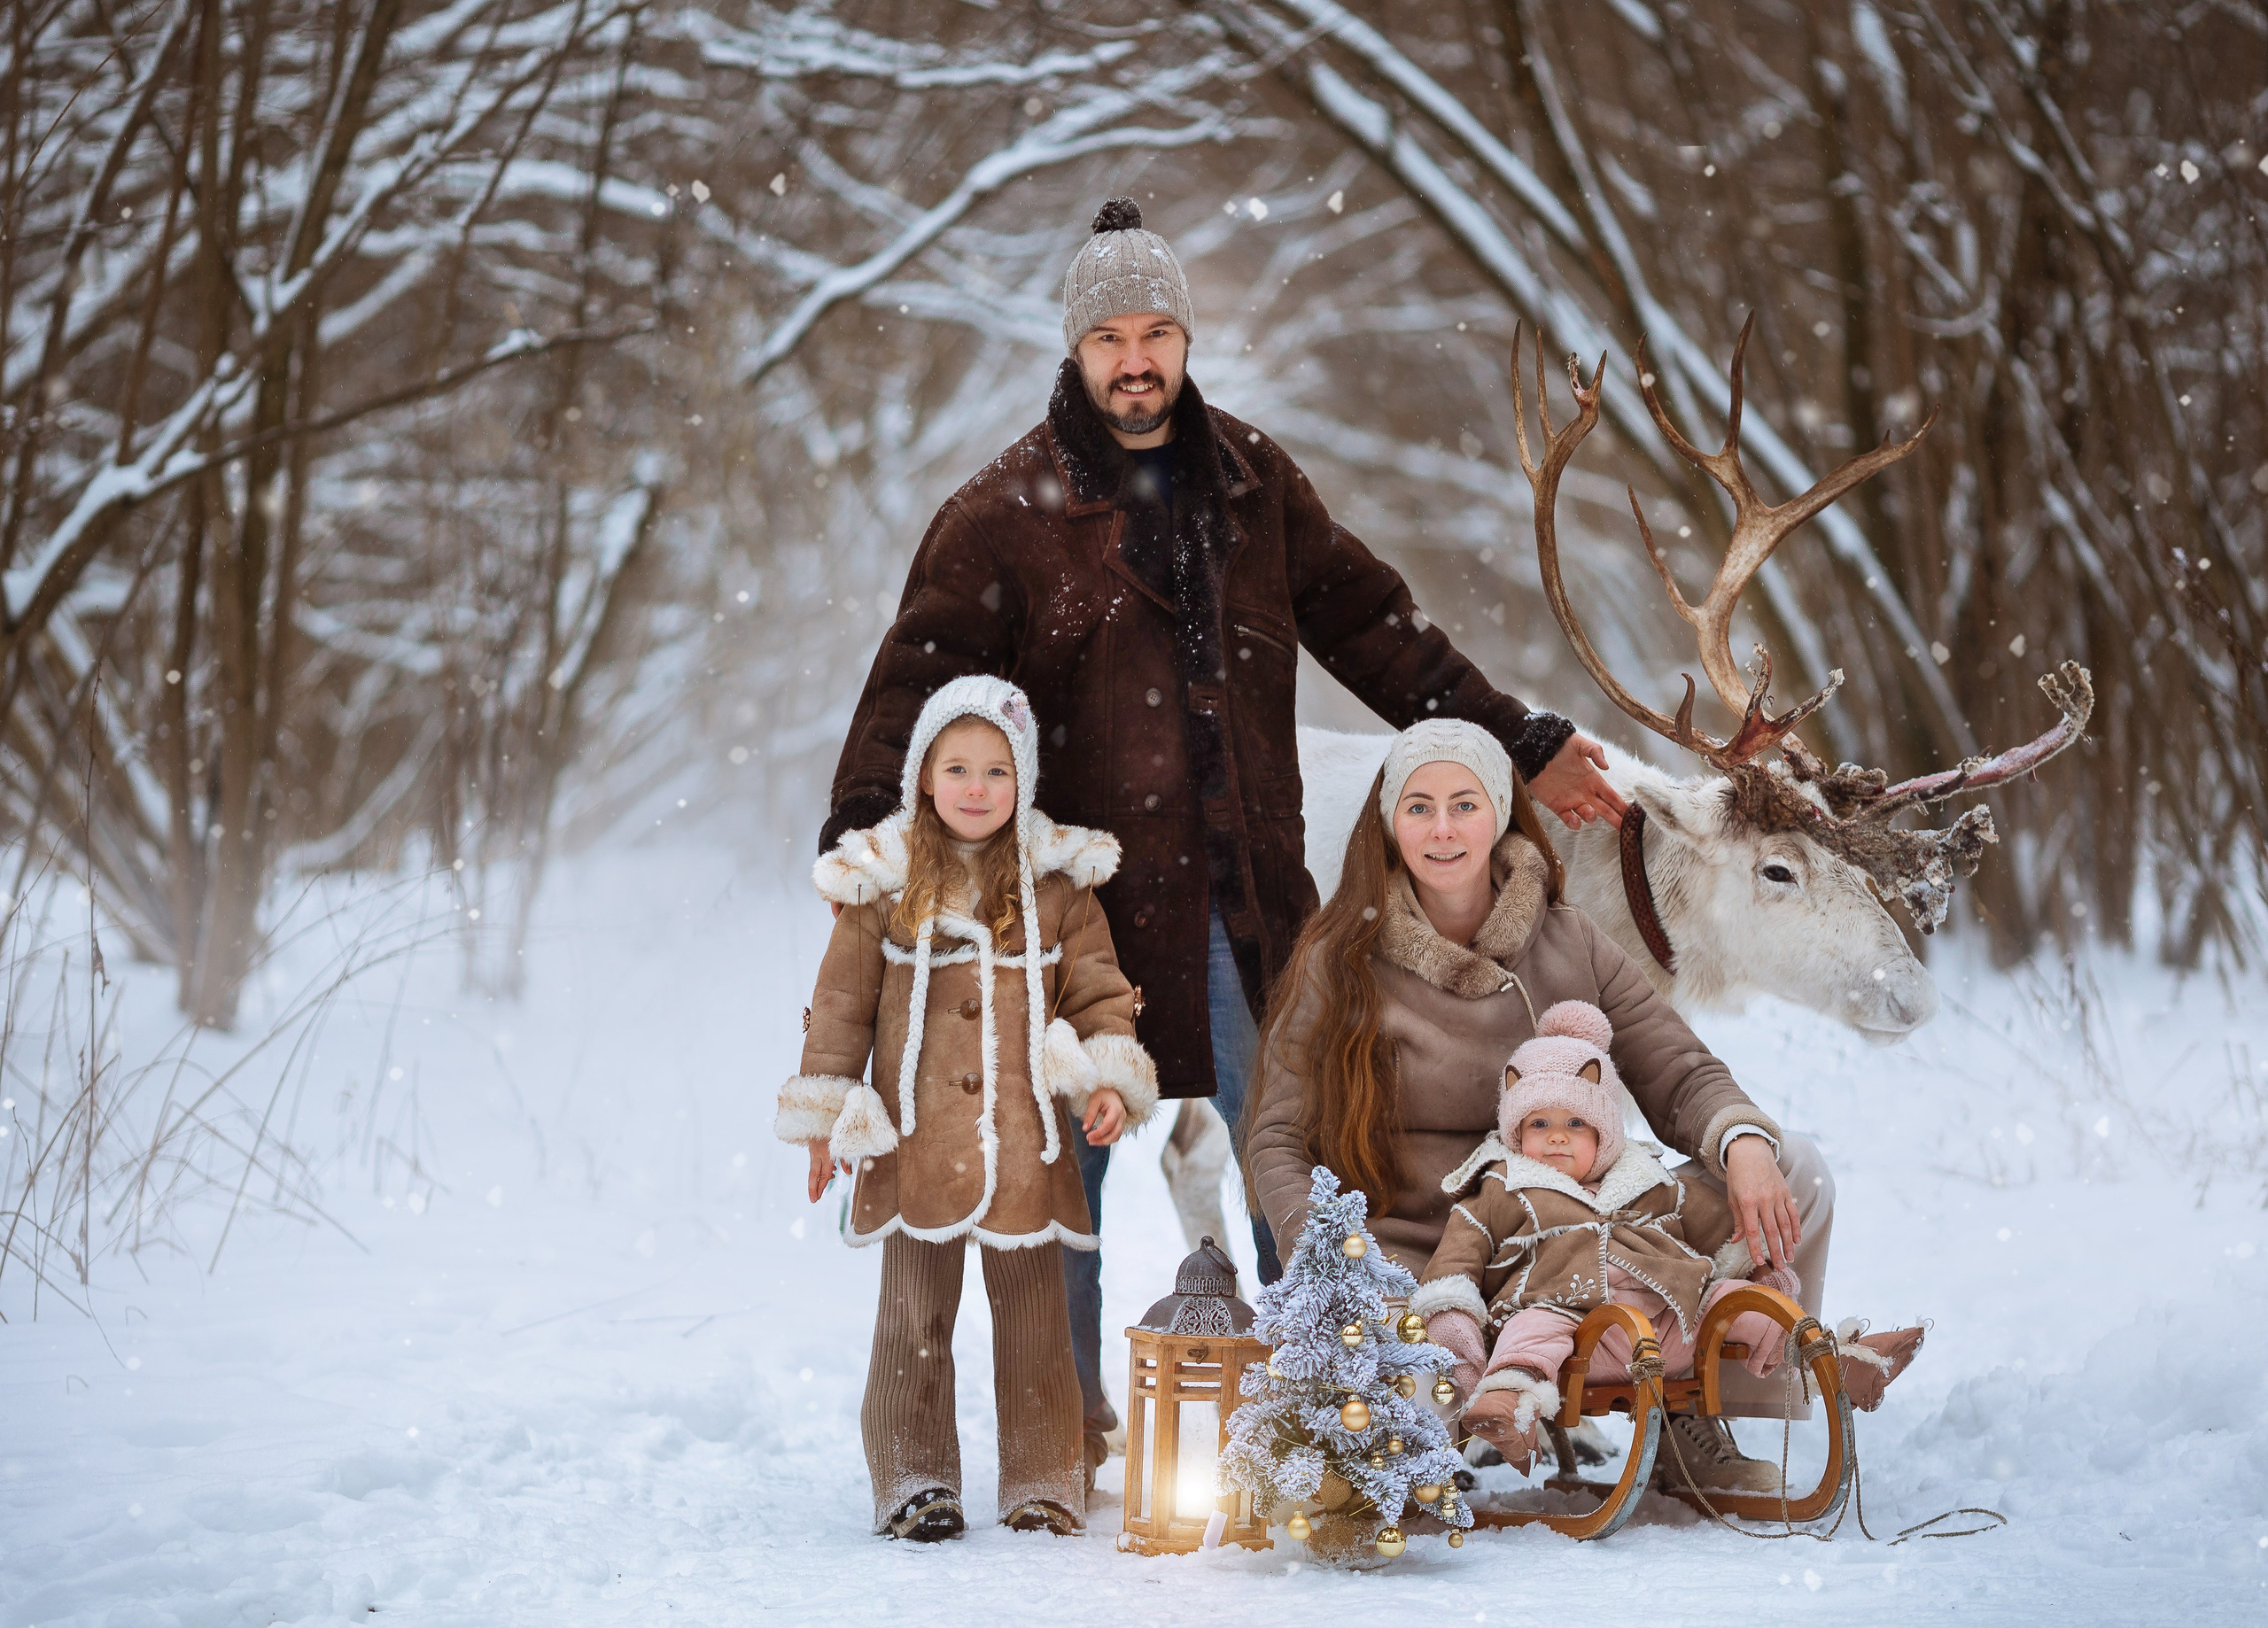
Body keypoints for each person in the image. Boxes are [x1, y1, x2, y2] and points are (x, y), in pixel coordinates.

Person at [819, 196, 1628, 1476]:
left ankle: (1326, 1421)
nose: (1136, 360)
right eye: (1110, 339)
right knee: (1059, 1194)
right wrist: (867, 850)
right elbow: (908, 694)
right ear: (1076, 352)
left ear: (1187, 340)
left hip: (1241, 904)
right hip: (1067, 925)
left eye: (1158, 332)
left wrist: (1517, 739)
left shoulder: (1254, 487)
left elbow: (1378, 629)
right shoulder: (1002, 518)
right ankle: (1066, 1438)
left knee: (1288, 1158)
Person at [1244, 717, 1861, 1493]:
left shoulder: (1570, 941)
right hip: (1420, 1257)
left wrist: (1742, 1143)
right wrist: (1330, 1264)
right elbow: (1275, 1139)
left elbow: (1679, 1070)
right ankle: (1409, 1450)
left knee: (1792, 1167)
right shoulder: (1336, 961)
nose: (1443, 830)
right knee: (1382, 1442)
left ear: (1501, 810)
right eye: (1419, 807)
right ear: (1388, 822)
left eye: (1464, 804)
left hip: (1578, 1235)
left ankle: (1696, 1411)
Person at [777, 676, 1161, 1540]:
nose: (976, 787)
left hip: (1026, 1140)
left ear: (1021, 779)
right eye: (958, 768)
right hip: (913, 1139)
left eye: (996, 769)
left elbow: (1100, 993)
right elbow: (839, 1007)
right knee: (914, 1314)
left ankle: (1044, 1476)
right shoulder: (883, 882)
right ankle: (913, 1477)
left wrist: (1106, 1076)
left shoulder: (1057, 884)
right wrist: (822, 1119)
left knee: (1036, 1316)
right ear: (923, 776)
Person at [1412, 1001, 1921, 1473]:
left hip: (1672, 1318)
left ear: (1606, 1131)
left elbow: (1720, 1227)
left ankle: (1832, 1362)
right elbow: (1456, 1263)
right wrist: (1454, 1327)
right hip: (1572, 1325)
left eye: (1575, 1123)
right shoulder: (1502, 1186)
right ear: (1515, 1131)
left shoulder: (1646, 1182)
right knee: (1532, 1329)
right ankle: (1508, 1400)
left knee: (1736, 1303)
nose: (1557, 1136)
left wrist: (1762, 1268)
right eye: (1538, 1123)